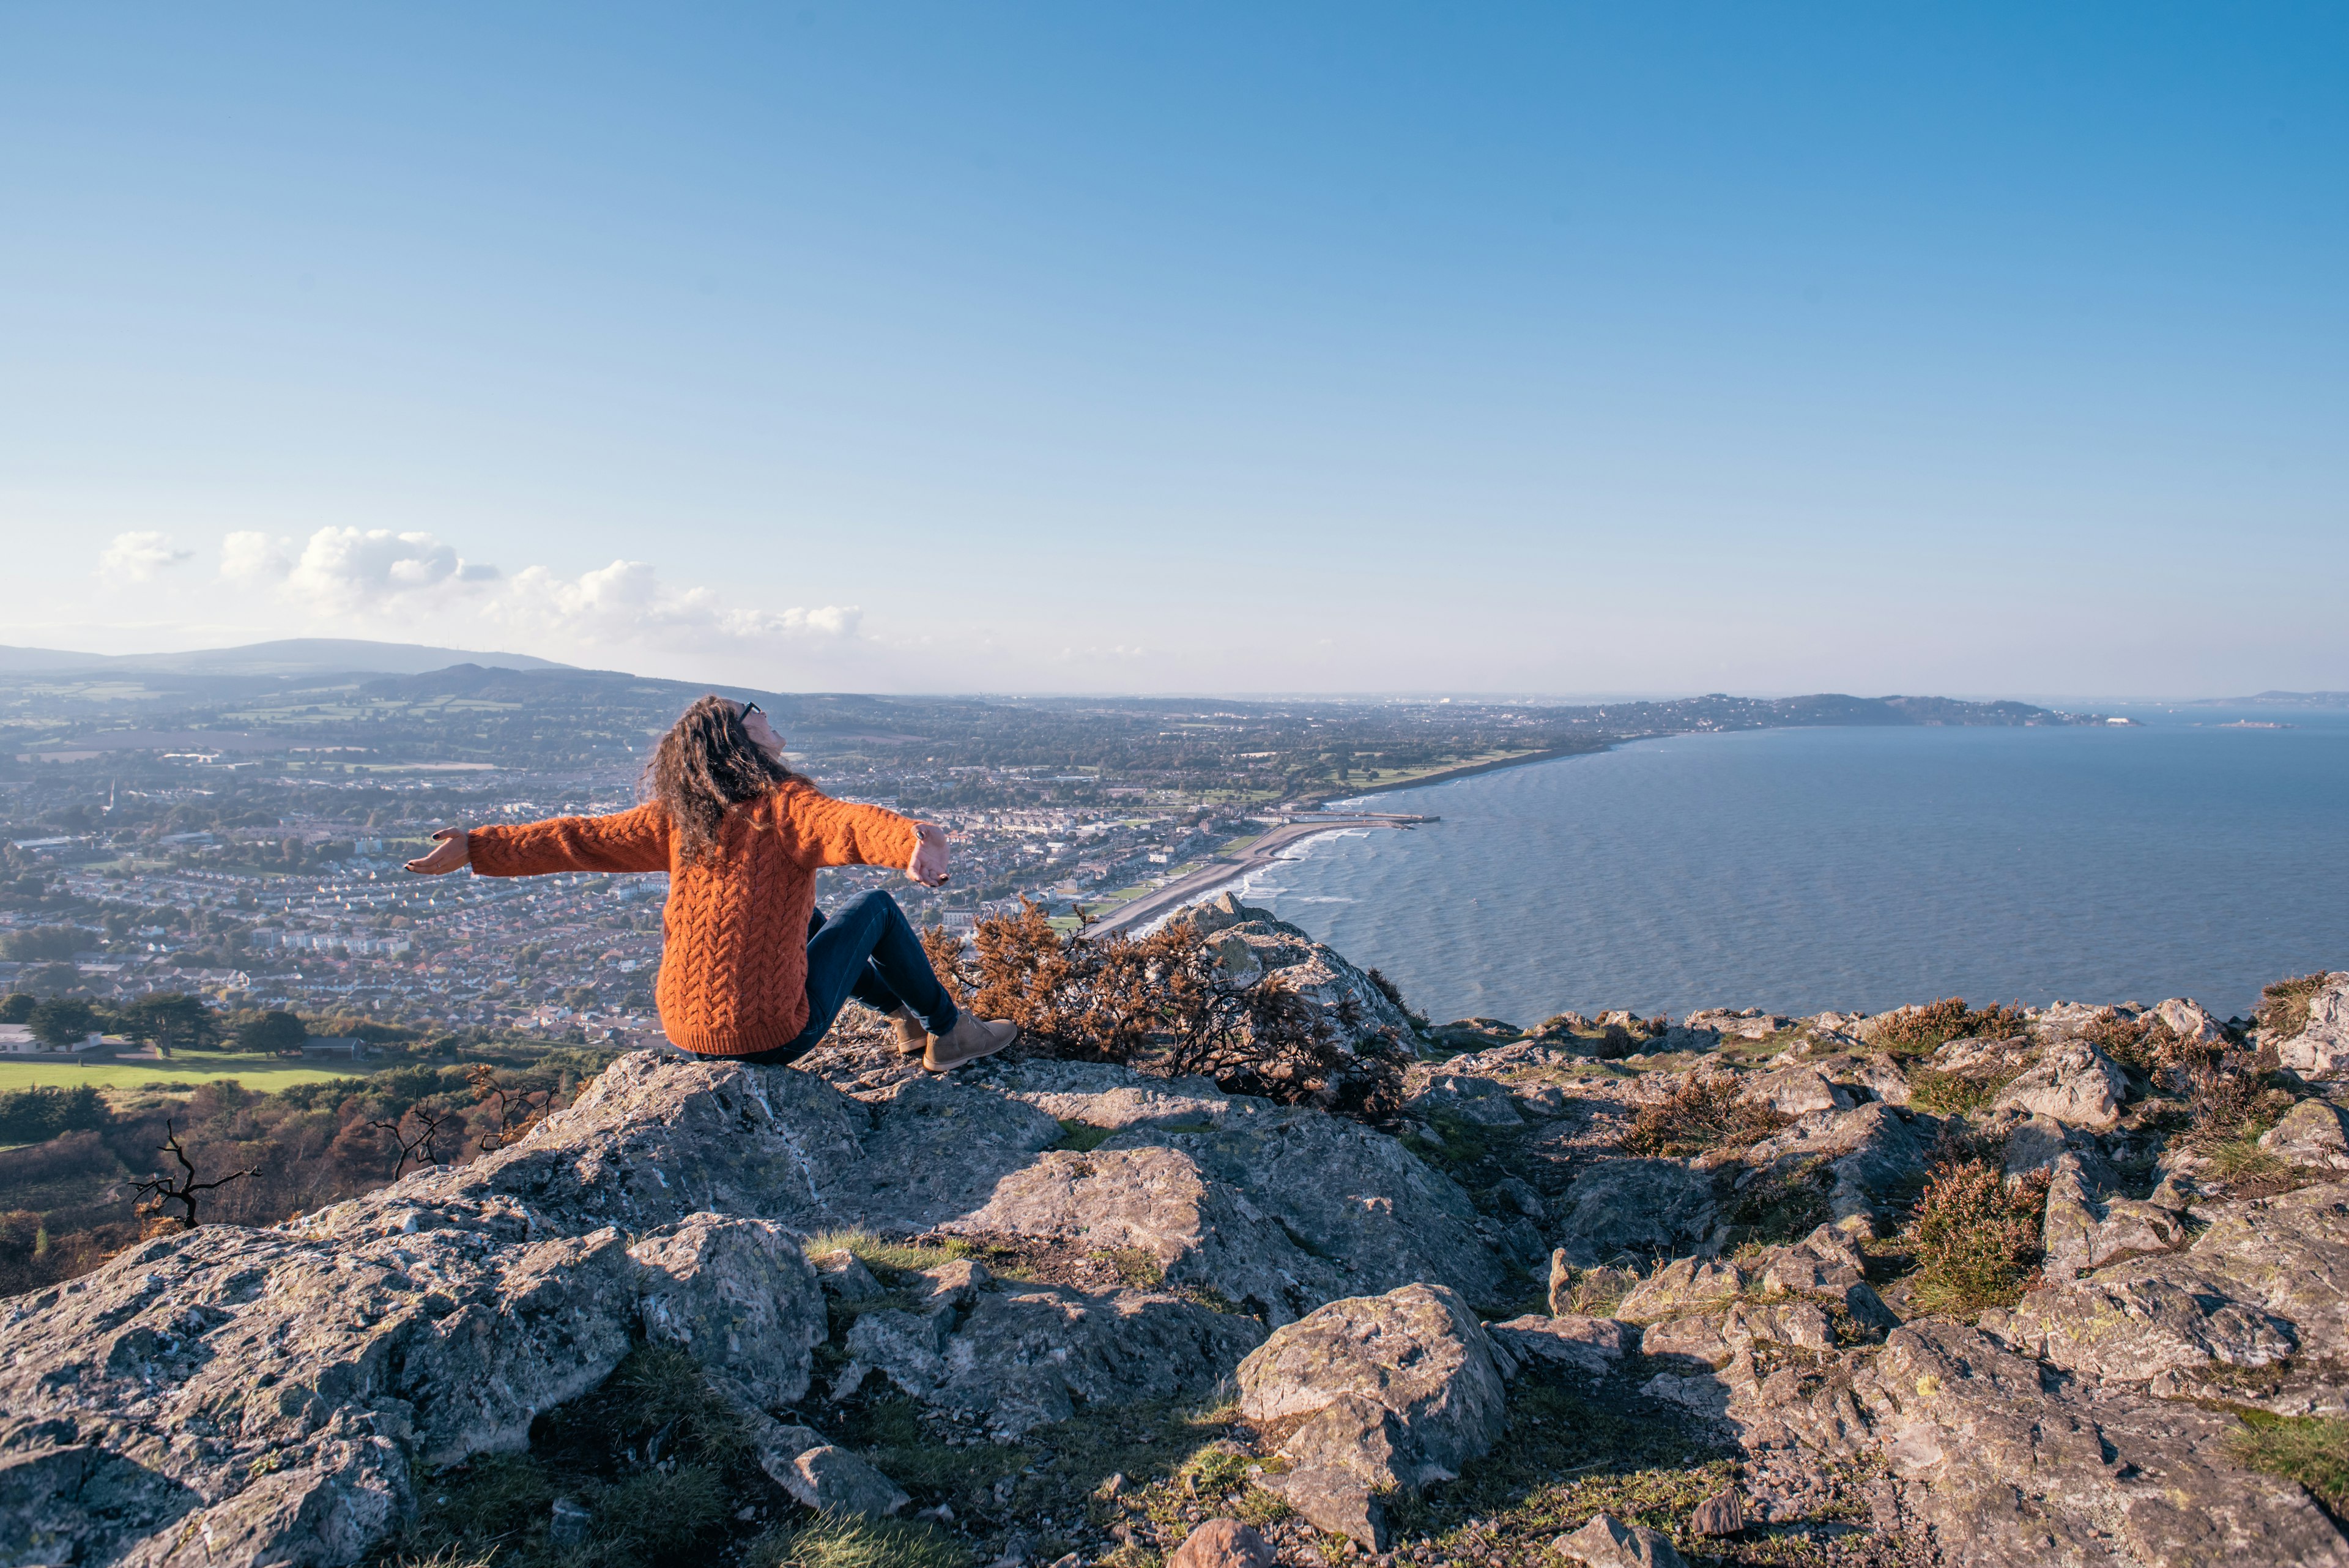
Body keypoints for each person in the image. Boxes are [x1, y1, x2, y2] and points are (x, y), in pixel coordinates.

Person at [403, 695, 1018, 1071]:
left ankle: (898, 1017)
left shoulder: (678, 818)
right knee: (876, 908)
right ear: (739, 736)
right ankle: (948, 1031)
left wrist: (478, 847)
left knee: (801, 916)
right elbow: (847, 824)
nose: (767, 714)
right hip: (773, 1036)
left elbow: (577, 838)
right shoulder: (783, 807)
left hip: (690, 1035)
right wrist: (907, 841)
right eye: (752, 711)